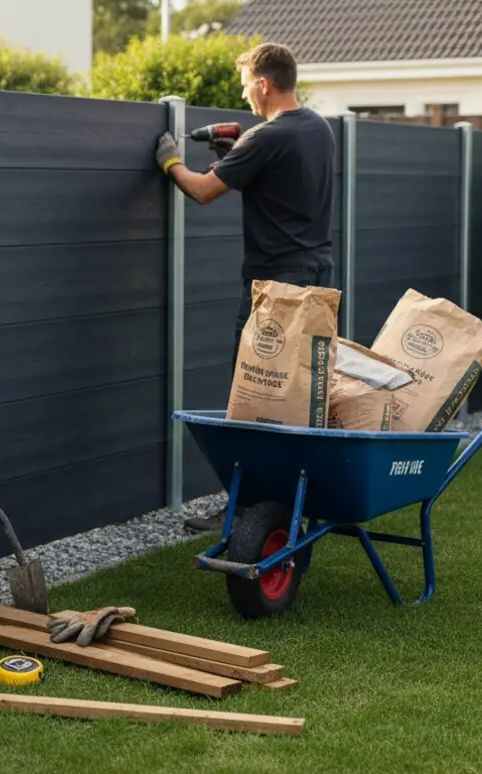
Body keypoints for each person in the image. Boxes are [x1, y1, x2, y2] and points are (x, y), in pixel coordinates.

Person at [155, 42, 337, 534]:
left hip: (277, 286)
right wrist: (238, 159)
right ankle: (296, 498)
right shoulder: (317, 128)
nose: (244, 96)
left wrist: (170, 161)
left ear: (264, 83)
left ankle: (243, 507)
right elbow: (283, 186)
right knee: (298, 395)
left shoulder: (265, 137)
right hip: (317, 276)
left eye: (245, 86)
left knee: (253, 393)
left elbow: (201, 190)